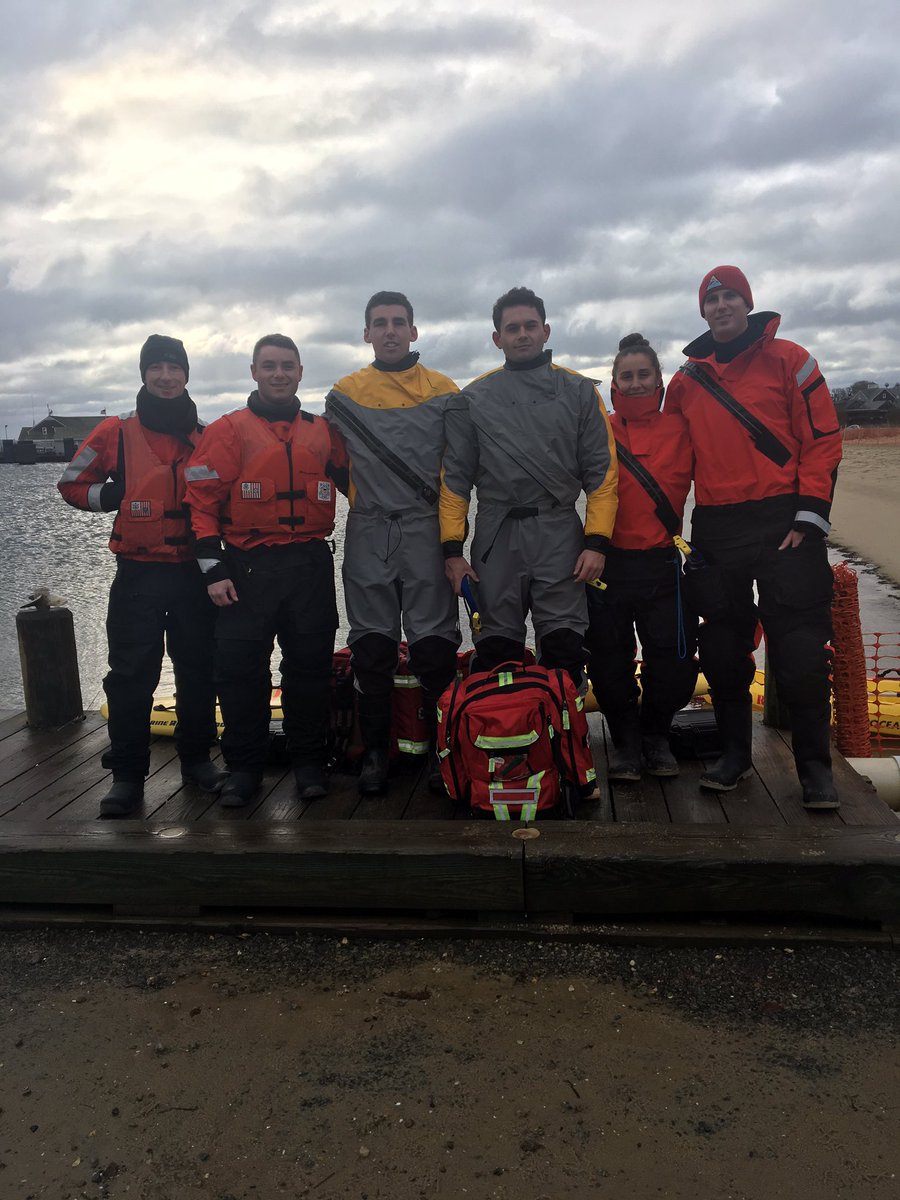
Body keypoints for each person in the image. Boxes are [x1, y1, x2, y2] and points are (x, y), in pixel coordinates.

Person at [665, 266, 842, 808]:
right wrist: (660, 529)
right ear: (703, 310)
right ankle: (735, 756)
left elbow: (823, 439)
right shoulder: (684, 382)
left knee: (801, 653)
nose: (721, 306)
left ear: (747, 302)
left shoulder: (791, 359)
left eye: (730, 296)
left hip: (784, 521)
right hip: (717, 526)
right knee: (722, 649)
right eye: (712, 299)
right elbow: (671, 463)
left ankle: (816, 770)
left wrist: (810, 516)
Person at [58, 335, 226, 817]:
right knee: (131, 676)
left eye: (175, 368)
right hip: (137, 574)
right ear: (144, 374)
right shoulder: (115, 432)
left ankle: (197, 761)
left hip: (194, 574)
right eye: (157, 368)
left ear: (187, 376)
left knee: (198, 670)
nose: (166, 377)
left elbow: (223, 497)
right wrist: (113, 496)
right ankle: (128, 777)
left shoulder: (207, 435)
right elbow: (72, 483)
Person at [184, 334, 349, 807]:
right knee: (240, 673)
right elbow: (200, 504)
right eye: (270, 366)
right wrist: (213, 570)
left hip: (309, 565)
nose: (279, 374)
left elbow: (360, 486)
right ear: (254, 372)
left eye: (287, 366)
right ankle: (244, 768)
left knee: (310, 670)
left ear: (300, 372)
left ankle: (309, 762)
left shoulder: (323, 431)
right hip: (246, 568)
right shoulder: (227, 431)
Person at [440, 285, 618, 684]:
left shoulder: (579, 392)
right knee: (496, 649)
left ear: (546, 331)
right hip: (496, 533)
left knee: (565, 646)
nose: (522, 334)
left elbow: (602, 475)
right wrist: (452, 549)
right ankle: (500, 723)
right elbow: (454, 481)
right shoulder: (472, 399)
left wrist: (596, 543)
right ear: (497, 338)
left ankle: (564, 722)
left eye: (530, 326)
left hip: (559, 532)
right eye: (512, 328)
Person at [325, 292, 461, 795]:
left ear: (413, 331)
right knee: (372, 647)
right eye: (380, 323)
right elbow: (334, 464)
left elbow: (456, 473)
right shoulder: (344, 394)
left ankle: (441, 754)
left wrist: (453, 543)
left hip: (426, 528)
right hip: (368, 527)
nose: (390, 331)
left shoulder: (444, 391)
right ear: (366, 333)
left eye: (399, 322)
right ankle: (376, 755)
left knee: (435, 646)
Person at [585, 334, 698, 780]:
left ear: (658, 379)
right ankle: (626, 743)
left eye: (643, 374)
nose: (635, 383)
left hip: (661, 563)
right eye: (626, 376)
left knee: (674, 663)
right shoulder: (597, 429)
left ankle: (656, 735)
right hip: (608, 564)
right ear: (614, 382)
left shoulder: (682, 428)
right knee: (608, 663)